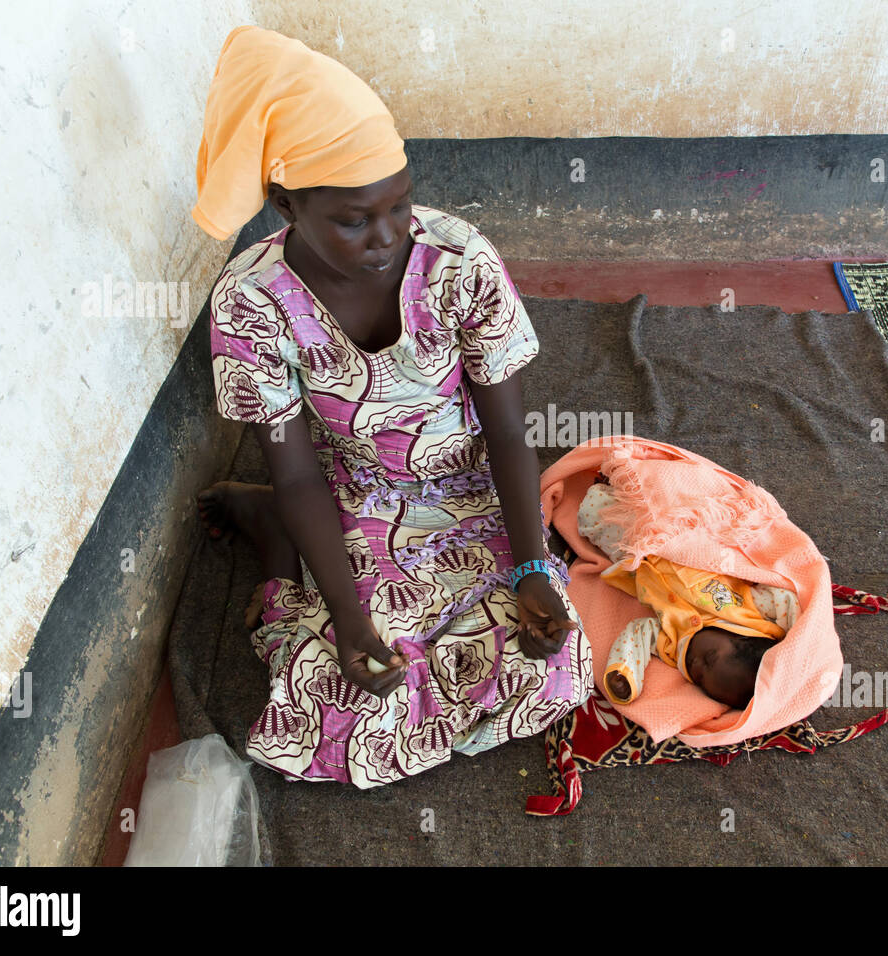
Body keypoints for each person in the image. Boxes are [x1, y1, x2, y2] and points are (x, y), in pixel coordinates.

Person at [191, 25, 591, 788]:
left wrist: (532, 565)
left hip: (469, 481)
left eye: (399, 207)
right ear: (285, 205)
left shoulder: (459, 260)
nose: (387, 237)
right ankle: (281, 540)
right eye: (353, 219)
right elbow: (302, 473)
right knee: (344, 689)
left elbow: (507, 429)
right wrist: (347, 617)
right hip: (353, 492)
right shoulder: (251, 302)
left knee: (552, 662)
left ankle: (290, 552)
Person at [577, 481, 799, 710]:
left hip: (638, 557)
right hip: (688, 536)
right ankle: (629, 481)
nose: (696, 664)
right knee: (657, 492)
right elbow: (785, 599)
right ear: (740, 638)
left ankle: (616, 491)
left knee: (592, 511)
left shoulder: (674, 645)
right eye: (710, 658)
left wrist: (625, 671)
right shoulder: (748, 611)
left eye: (701, 680)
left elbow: (640, 633)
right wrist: (796, 640)